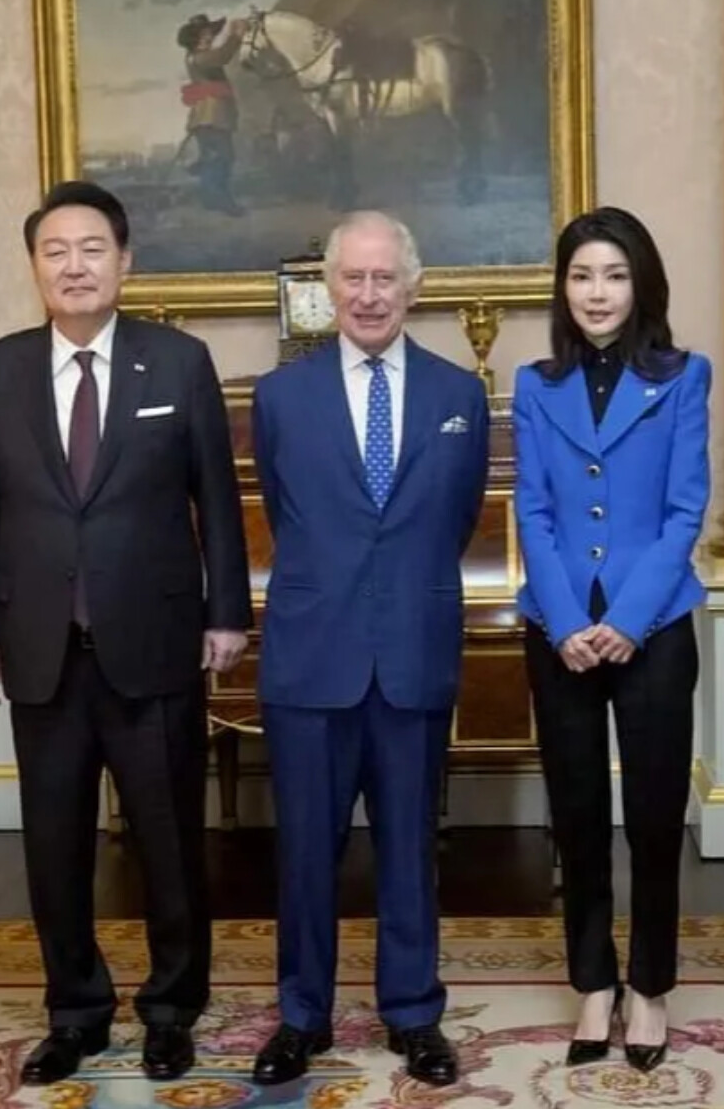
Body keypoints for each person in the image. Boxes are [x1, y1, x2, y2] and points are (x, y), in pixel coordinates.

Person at [0, 179, 250, 1085]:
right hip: (39, 646)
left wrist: (228, 610)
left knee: (168, 841)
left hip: (154, 640)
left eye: (92, 248)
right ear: (35, 267)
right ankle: (75, 1011)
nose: (74, 265)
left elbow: (217, 498)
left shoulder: (178, 362)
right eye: (56, 251)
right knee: (54, 847)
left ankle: (172, 1009)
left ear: (125, 261)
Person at [250, 212, 490, 1092]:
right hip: (313, 658)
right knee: (307, 849)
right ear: (327, 288)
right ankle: (302, 1014)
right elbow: (287, 517)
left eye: (385, 277)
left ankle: (413, 1012)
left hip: (414, 653)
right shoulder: (280, 398)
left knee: (408, 846)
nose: (368, 294)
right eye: (352, 277)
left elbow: (455, 521)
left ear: (412, 286)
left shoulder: (458, 395)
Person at [512, 208, 710, 1072]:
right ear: (563, 287)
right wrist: (566, 624)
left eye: (615, 275)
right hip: (558, 630)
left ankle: (652, 986)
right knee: (580, 814)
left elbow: (684, 510)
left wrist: (626, 622)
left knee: (657, 819)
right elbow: (535, 510)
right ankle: (594, 981)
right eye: (583, 275)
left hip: (653, 626)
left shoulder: (685, 376)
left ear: (643, 285)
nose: (598, 292)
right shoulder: (534, 382)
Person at [177, 14, 246, 216]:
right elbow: (223, 56)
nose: (209, 38)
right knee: (222, 157)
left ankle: (211, 198)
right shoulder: (201, 57)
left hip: (208, 116)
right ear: (195, 38)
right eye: (205, 34)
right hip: (212, 116)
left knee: (213, 157)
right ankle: (221, 200)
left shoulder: (197, 56)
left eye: (210, 34)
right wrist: (236, 36)